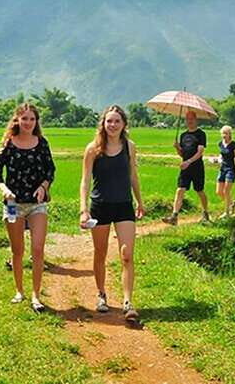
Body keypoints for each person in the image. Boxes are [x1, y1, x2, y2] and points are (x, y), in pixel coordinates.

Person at [79, 105, 145, 321]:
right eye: (109, 121)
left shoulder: (130, 147)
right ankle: (101, 295)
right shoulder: (93, 148)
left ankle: (127, 301)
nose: (113, 125)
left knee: (127, 255)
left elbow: (133, 175)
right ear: (103, 124)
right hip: (100, 206)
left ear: (124, 124)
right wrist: (84, 210)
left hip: (124, 205)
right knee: (100, 253)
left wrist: (140, 201)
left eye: (117, 121)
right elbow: (85, 181)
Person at [0, 103, 55, 313]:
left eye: (32, 119)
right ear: (17, 120)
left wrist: (43, 187)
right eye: (24, 118)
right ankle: (19, 290)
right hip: (13, 205)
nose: (28, 123)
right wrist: (4, 190)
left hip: (37, 204)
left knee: (37, 249)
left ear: (36, 122)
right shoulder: (8, 144)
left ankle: (36, 295)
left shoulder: (42, 143)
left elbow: (50, 170)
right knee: (17, 251)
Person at [163, 110, 209, 226]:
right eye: (187, 119)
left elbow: (200, 152)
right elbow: (182, 154)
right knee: (180, 190)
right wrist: (177, 148)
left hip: (197, 167)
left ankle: (205, 212)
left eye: (191, 119)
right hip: (185, 167)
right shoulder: (183, 135)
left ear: (196, 120)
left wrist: (189, 161)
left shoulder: (201, 134)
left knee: (199, 191)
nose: (189, 121)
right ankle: (174, 216)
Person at [216, 125, 235, 219]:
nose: (224, 135)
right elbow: (221, 155)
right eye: (223, 133)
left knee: (226, 191)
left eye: (226, 133)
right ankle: (232, 203)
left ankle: (227, 212)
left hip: (231, 169)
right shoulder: (220, 144)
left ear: (230, 134)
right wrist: (218, 159)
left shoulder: (234, 144)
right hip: (222, 168)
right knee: (219, 191)